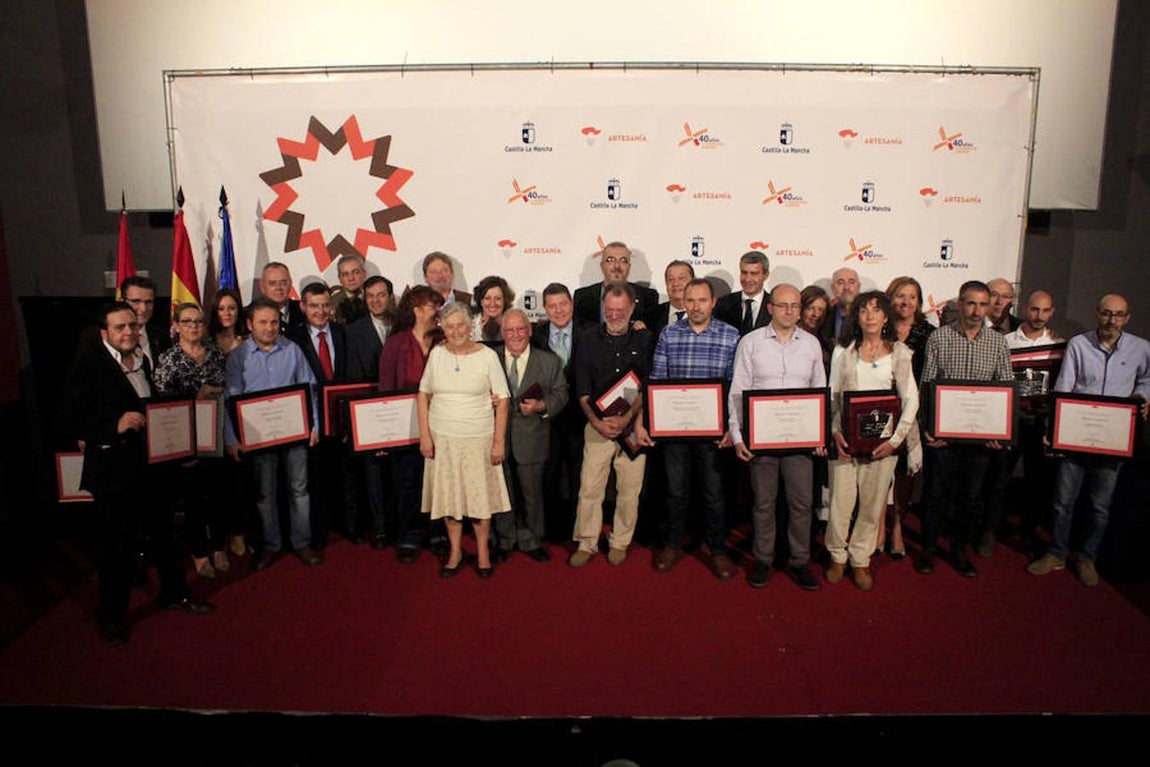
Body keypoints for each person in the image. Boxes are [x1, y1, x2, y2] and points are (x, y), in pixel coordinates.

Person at [61, 302, 214, 646]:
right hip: (114, 475)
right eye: (120, 327)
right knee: (117, 549)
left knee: (164, 538)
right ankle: (111, 616)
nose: (128, 332)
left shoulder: (143, 360)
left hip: (151, 468)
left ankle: (175, 593)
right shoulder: (87, 366)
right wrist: (112, 425)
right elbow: (70, 418)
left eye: (132, 325)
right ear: (105, 333)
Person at [1026, 294, 1150, 586]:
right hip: (1075, 433)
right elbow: (1064, 385)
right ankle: (1056, 552)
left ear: (1127, 318)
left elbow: (1147, 380)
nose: (1112, 320)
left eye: (1119, 315)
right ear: (1097, 313)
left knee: (1100, 505)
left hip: (1114, 437)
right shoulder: (1079, 345)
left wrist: (1142, 397)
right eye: (1107, 314)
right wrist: (1053, 432)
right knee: (1062, 501)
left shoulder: (1142, 349)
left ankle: (1086, 558)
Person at [728, 284, 827, 591]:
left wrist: (820, 435)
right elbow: (737, 392)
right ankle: (763, 559)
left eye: (795, 306)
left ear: (801, 309)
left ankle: (799, 561)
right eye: (782, 305)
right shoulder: (751, 342)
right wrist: (737, 436)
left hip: (800, 440)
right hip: (761, 440)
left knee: (801, 504)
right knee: (763, 503)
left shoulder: (811, 344)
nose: (789, 311)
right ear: (770, 308)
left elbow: (820, 392)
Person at [915, 280, 1012, 578]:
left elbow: (1006, 389)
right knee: (935, 495)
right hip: (942, 438)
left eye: (983, 304)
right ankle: (929, 550)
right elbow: (927, 388)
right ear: (960, 303)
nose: (976, 310)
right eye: (971, 303)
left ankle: (958, 551)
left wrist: (1001, 434)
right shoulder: (939, 339)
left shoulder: (998, 343)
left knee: (971, 498)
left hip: (980, 441)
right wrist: (929, 430)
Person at [824, 291, 921, 590]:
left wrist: (895, 440)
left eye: (876, 311)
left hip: (882, 444)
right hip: (846, 441)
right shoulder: (845, 352)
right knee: (840, 503)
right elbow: (834, 398)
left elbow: (911, 400)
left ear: (885, 317)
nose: (869, 316)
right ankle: (837, 556)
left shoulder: (900, 353)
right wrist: (836, 431)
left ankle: (860, 559)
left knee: (872, 503)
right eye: (864, 310)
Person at [649, 278, 740, 580]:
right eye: (690, 300)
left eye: (702, 300)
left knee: (714, 492)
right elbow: (658, 380)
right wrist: (659, 422)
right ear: (683, 302)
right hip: (674, 429)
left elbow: (733, 386)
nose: (696, 306)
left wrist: (730, 425)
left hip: (713, 432)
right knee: (675, 491)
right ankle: (673, 544)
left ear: (713, 302)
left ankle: (717, 549)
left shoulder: (730, 336)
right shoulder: (669, 334)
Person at [225, 298, 322, 571]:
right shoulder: (238, 357)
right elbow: (229, 401)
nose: (269, 327)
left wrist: (314, 426)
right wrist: (231, 438)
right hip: (258, 440)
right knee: (265, 494)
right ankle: (271, 546)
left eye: (274, 322)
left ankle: (302, 542)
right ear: (249, 324)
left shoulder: (293, 350)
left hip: (296, 435)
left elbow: (310, 389)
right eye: (263, 322)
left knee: (299, 490)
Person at [417, 302, 511, 579]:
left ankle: (482, 552)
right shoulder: (436, 354)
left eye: (461, 325)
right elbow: (424, 394)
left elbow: (503, 400)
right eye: (450, 325)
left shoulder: (487, 357)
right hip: (443, 440)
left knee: (479, 500)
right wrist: (425, 435)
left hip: (478, 439)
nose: (456, 330)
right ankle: (455, 551)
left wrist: (498, 442)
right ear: (442, 328)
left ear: (471, 327)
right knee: (449, 499)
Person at [569, 282, 654, 567]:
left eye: (620, 310)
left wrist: (629, 419)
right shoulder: (588, 339)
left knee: (630, 490)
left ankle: (620, 541)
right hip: (598, 426)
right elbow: (581, 391)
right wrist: (596, 422)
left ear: (631, 309)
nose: (615, 315)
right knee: (590, 488)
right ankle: (587, 542)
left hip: (633, 427)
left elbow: (646, 386)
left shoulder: (645, 340)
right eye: (610, 310)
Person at [984, 289, 1063, 556]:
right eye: (1034, 310)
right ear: (1025, 309)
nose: (1039, 316)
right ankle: (989, 531)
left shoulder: (1059, 345)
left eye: (1045, 311)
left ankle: (1028, 533)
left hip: (1039, 423)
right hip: (1010, 420)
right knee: (999, 479)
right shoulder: (1004, 341)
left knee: (1036, 482)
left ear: (1051, 313)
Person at [153, 302, 229, 579]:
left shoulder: (215, 354)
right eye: (187, 321)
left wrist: (214, 389)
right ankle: (199, 552)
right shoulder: (168, 360)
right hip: (185, 440)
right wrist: (194, 397)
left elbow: (226, 386)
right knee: (194, 499)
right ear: (176, 326)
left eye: (198, 321)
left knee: (219, 494)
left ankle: (218, 545)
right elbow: (162, 404)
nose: (194, 326)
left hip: (215, 435)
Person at [491, 309, 568, 562]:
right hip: (496, 438)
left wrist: (540, 406)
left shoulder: (550, 361)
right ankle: (505, 538)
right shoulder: (487, 360)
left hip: (533, 437)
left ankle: (532, 539)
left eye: (520, 329)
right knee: (502, 490)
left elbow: (560, 394)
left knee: (531, 492)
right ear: (502, 333)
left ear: (530, 330)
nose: (516, 335)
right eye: (510, 330)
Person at [287, 282, 358, 548]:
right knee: (314, 479)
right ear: (303, 307)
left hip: (341, 418)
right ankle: (319, 531)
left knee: (346, 475)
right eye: (314, 305)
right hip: (311, 421)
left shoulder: (343, 333)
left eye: (325, 305)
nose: (320, 311)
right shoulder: (293, 339)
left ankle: (349, 525)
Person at [379, 285, 445, 563]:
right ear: (417, 310)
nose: (437, 311)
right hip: (405, 428)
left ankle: (439, 532)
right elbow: (385, 390)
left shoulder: (445, 340)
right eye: (433, 306)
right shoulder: (396, 343)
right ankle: (410, 534)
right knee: (408, 481)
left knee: (440, 481)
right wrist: (383, 435)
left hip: (442, 426)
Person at [532, 282, 594, 539]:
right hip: (548, 418)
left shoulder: (590, 331)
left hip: (581, 417)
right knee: (550, 474)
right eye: (552, 306)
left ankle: (578, 529)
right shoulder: (536, 334)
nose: (558, 310)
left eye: (563, 304)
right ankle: (550, 530)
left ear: (571, 304)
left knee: (581, 476)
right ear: (545, 309)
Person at [882, 275, 935, 558]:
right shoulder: (879, 328)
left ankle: (898, 525)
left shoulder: (929, 333)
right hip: (879, 410)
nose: (905, 301)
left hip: (913, 414)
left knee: (904, 473)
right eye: (900, 295)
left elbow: (930, 380)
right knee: (879, 473)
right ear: (890, 298)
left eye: (912, 296)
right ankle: (878, 523)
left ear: (919, 301)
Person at [344, 275, 395, 549]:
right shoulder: (352, 332)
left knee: (400, 471)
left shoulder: (403, 326)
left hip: (402, 413)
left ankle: (401, 524)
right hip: (369, 413)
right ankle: (380, 527)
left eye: (381, 294)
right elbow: (353, 377)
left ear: (390, 296)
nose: (376, 300)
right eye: (370, 295)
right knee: (373, 472)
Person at [572, 241, 660, 327]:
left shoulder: (648, 297)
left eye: (623, 260)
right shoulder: (582, 297)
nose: (617, 266)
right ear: (602, 266)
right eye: (610, 260)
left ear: (629, 267)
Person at [714, 250, 771, 336]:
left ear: (766, 275)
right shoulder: (723, 303)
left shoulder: (774, 305)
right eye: (744, 273)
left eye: (754, 274)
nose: (747, 279)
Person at [258, 262, 306, 334]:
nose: (278, 287)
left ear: (290, 284)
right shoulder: (249, 314)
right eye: (272, 283)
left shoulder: (304, 310)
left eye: (284, 283)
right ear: (262, 286)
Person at [649, 260, 694, 335]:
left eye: (682, 278)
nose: (676, 283)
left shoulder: (708, 315)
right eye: (671, 279)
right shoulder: (651, 316)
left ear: (693, 282)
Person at [822, 267, 860, 347]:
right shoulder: (824, 315)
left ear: (859, 286)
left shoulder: (869, 315)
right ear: (832, 288)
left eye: (851, 282)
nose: (846, 287)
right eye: (840, 283)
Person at [472, 274, 515, 343]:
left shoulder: (514, 326)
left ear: (505, 301)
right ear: (481, 301)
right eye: (487, 298)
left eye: (498, 298)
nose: (492, 303)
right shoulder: (470, 327)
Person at [329, 253, 369, 325]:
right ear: (340, 279)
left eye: (356, 272)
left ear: (364, 273)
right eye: (345, 274)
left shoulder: (374, 298)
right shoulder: (332, 303)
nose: (351, 278)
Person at [208, 288, 246, 355]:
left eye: (232, 308)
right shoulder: (207, 340)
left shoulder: (247, 340)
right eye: (221, 309)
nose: (227, 313)